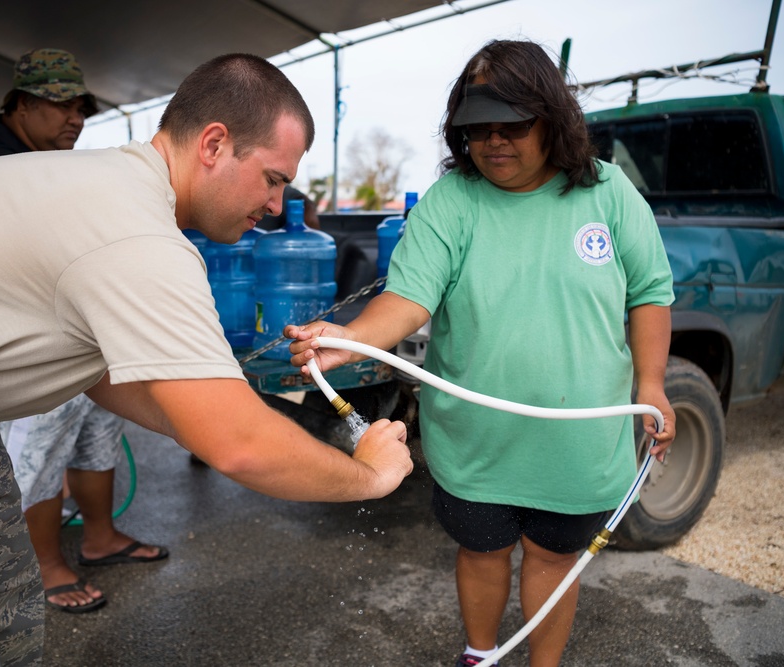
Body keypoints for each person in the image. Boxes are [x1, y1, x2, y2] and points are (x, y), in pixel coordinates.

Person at [0, 53, 412, 665]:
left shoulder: (112, 188)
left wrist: (206, 409)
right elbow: (239, 445)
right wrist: (367, 474)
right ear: (213, 143)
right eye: (273, 177)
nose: (277, 200)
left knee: (1, 619)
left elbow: (105, 376)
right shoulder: (135, 233)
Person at [287, 40, 676, 667]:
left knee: (553, 559)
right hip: (474, 442)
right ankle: (480, 654)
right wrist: (351, 338)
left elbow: (652, 295)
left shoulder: (608, 194)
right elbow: (409, 298)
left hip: (577, 444)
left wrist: (652, 384)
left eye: (513, 126)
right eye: (477, 129)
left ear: (553, 117)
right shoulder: (452, 202)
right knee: (483, 552)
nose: (494, 142)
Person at [0, 47, 167, 615]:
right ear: (22, 105)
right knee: (38, 454)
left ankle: (100, 535)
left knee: (95, 435)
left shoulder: (46, 161)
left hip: (77, 336)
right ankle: (44, 564)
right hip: (25, 346)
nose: (74, 118)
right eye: (60, 106)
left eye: (80, 107)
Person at [0, 47, 99, 165]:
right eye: (64, 105)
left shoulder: (27, 161)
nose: (76, 121)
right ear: (24, 104)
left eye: (82, 111)